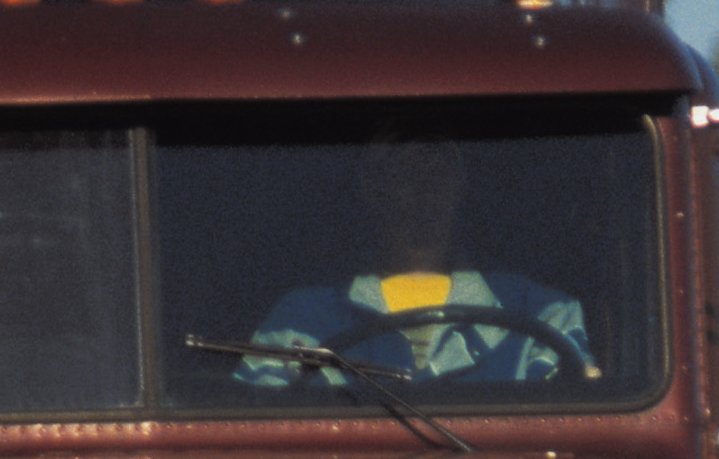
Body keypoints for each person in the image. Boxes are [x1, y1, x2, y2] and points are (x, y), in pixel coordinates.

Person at [236, 137, 601, 392]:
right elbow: (260, 442)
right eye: (406, 168)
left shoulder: (543, 315)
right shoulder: (299, 323)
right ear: (372, 186)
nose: (426, 187)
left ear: (461, 184)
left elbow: (568, 440)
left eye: (440, 169)